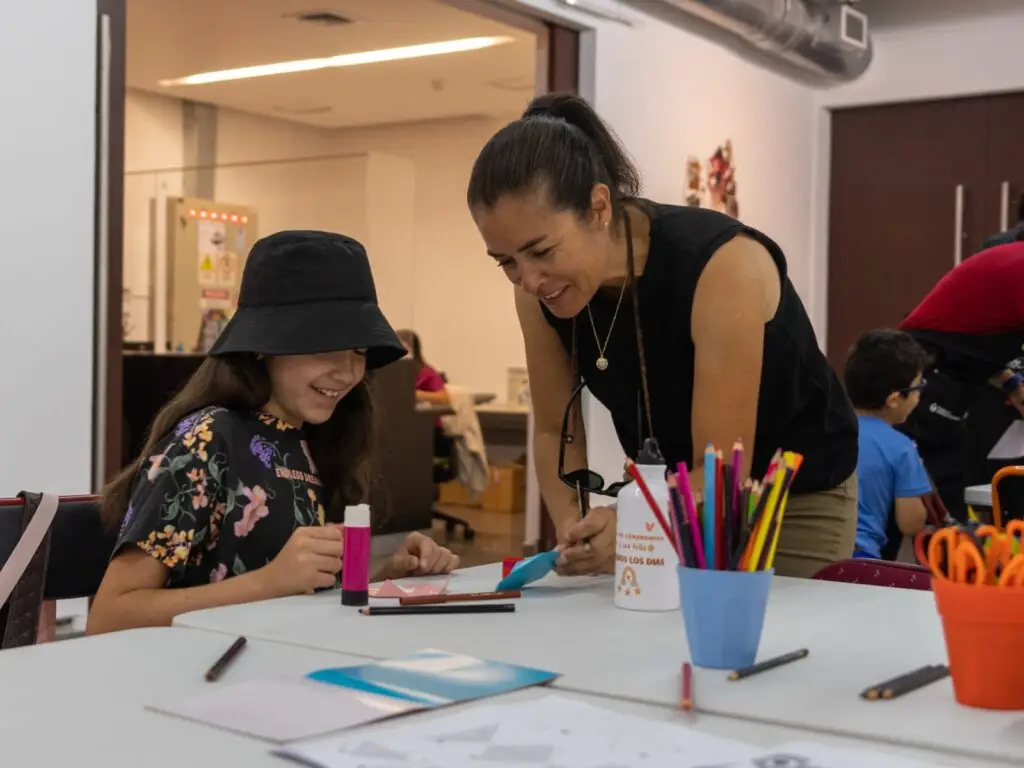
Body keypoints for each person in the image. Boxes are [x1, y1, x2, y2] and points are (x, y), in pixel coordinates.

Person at [466, 94, 859, 579]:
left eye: (541, 251)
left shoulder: (721, 264)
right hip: (674, 493)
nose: (528, 279)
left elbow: (722, 472)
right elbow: (553, 430)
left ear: (598, 206)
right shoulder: (536, 292)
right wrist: (577, 528)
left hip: (789, 493)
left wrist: (632, 524)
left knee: (765, 636)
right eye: (505, 262)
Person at [87, 231, 460, 634]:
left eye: (359, 352)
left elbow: (298, 595)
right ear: (264, 345)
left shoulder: (314, 439)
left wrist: (386, 574)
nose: (350, 373)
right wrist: (270, 583)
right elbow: (110, 616)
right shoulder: (207, 440)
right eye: (328, 348)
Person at [898, 241, 1024, 521]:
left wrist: (1011, 384)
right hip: (925, 371)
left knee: (954, 498)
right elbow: (951, 338)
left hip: (953, 370)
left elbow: (976, 333)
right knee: (941, 510)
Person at [843, 331, 932, 560]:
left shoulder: (829, 430)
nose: (919, 394)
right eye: (917, 387)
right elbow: (910, 523)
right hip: (861, 559)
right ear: (893, 400)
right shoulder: (901, 447)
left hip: (814, 553)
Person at [397, 329, 450, 406]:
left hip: (420, 416)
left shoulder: (426, 372)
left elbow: (445, 398)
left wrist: (415, 395)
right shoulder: (389, 371)